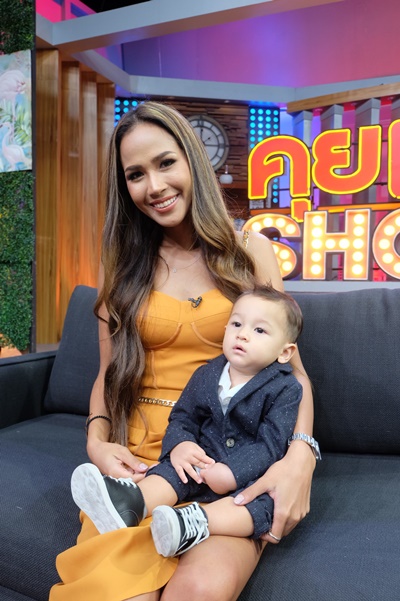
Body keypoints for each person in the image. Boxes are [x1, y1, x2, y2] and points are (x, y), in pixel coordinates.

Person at [50, 101, 316, 601]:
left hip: (229, 455)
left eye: (165, 163)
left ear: (193, 160)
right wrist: (96, 443)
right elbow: (108, 374)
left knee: (198, 592)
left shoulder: (250, 251)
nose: (154, 186)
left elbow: (294, 375)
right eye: (135, 174)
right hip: (141, 463)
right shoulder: (122, 266)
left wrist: (301, 457)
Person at [70, 285, 304, 557]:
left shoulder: (286, 389)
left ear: (285, 352)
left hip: (250, 477)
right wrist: (181, 445)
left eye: (259, 330)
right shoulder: (206, 374)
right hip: (201, 462)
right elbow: (183, 417)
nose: (242, 334)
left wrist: (233, 473)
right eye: (237, 324)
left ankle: (193, 524)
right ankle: (130, 503)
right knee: (171, 471)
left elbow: (271, 445)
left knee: (260, 506)